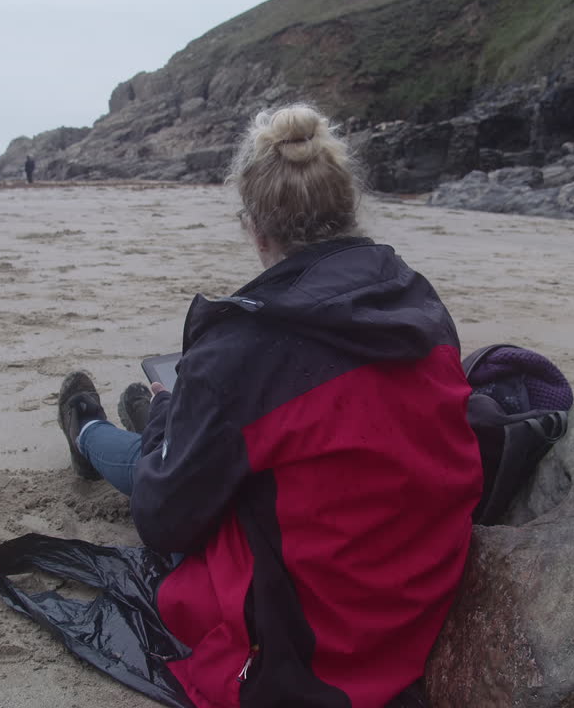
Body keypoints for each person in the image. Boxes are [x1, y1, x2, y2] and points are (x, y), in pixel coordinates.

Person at [56, 104, 482, 708]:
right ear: (350, 209)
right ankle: (165, 420)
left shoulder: (239, 349)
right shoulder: (417, 302)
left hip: (314, 638)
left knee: (161, 464)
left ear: (255, 230)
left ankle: (88, 431)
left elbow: (163, 520)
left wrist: (178, 420)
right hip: (416, 587)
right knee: (212, 437)